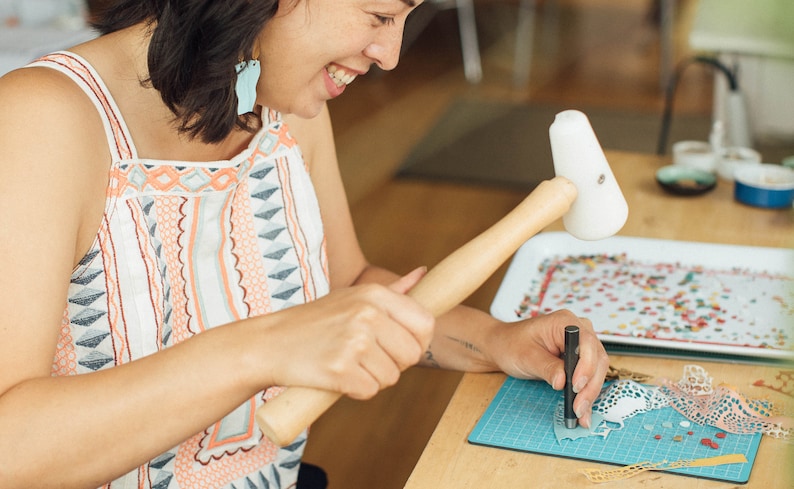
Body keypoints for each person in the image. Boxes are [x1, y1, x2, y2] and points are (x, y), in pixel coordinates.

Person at [0, 1, 609, 488]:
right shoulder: (41, 121)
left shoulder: (285, 106)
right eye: (379, 16)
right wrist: (260, 349)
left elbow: (346, 286)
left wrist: (494, 341)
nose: (391, 55)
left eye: (404, 20)